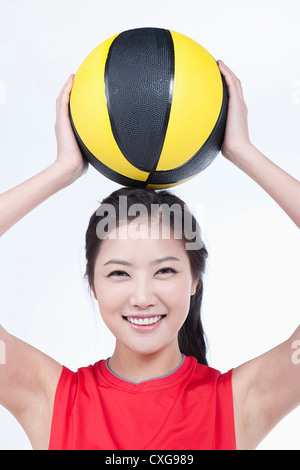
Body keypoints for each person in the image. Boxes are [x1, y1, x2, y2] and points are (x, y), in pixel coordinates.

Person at [0, 61, 299, 450]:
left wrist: (242, 151)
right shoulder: (49, 399)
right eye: (119, 274)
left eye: (165, 271)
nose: (142, 297)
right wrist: (63, 169)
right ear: (92, 283)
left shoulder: (240, 402)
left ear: (195, 280)